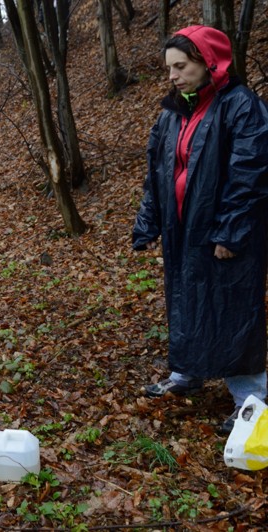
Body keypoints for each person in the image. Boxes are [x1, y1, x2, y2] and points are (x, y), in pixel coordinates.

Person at [132, 25, 268, 435]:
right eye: (169, 68)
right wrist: (148, 223)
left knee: (232, 308)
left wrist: (231, 231)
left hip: (224, 232)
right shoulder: (173, 111)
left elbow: (252, 174)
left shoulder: (240, 106)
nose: (172, 75)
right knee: (186, 298)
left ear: (209, 62)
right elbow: (157, 171)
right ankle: (187, 372)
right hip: (182, 228)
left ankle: (251, 397)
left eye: (181, 66)